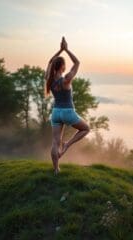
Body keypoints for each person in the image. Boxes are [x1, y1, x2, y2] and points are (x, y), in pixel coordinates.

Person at [44, 36, 90, 175]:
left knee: (54, 142)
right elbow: (77, 62)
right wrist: (66, 50)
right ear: (63, 67)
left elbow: (50, 61)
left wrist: (59, 51)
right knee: (86, 129)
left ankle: (56, 169)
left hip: (56, 112)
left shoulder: (49, 80)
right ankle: (67, 145)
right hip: (68, 112)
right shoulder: (67, 79)